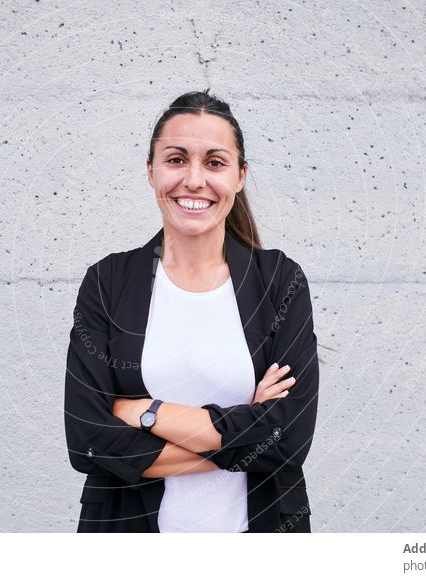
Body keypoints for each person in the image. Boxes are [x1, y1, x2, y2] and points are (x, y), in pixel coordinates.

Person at [63, 89, 319, 533]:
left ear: (240, 176)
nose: (194, 180)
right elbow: (88, 443)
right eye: (176, 159)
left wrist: (146, 413)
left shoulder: (279, 281)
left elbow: (288, 439)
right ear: (151, 171)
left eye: (215, 162)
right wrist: (244, 438)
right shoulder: (108, 282)